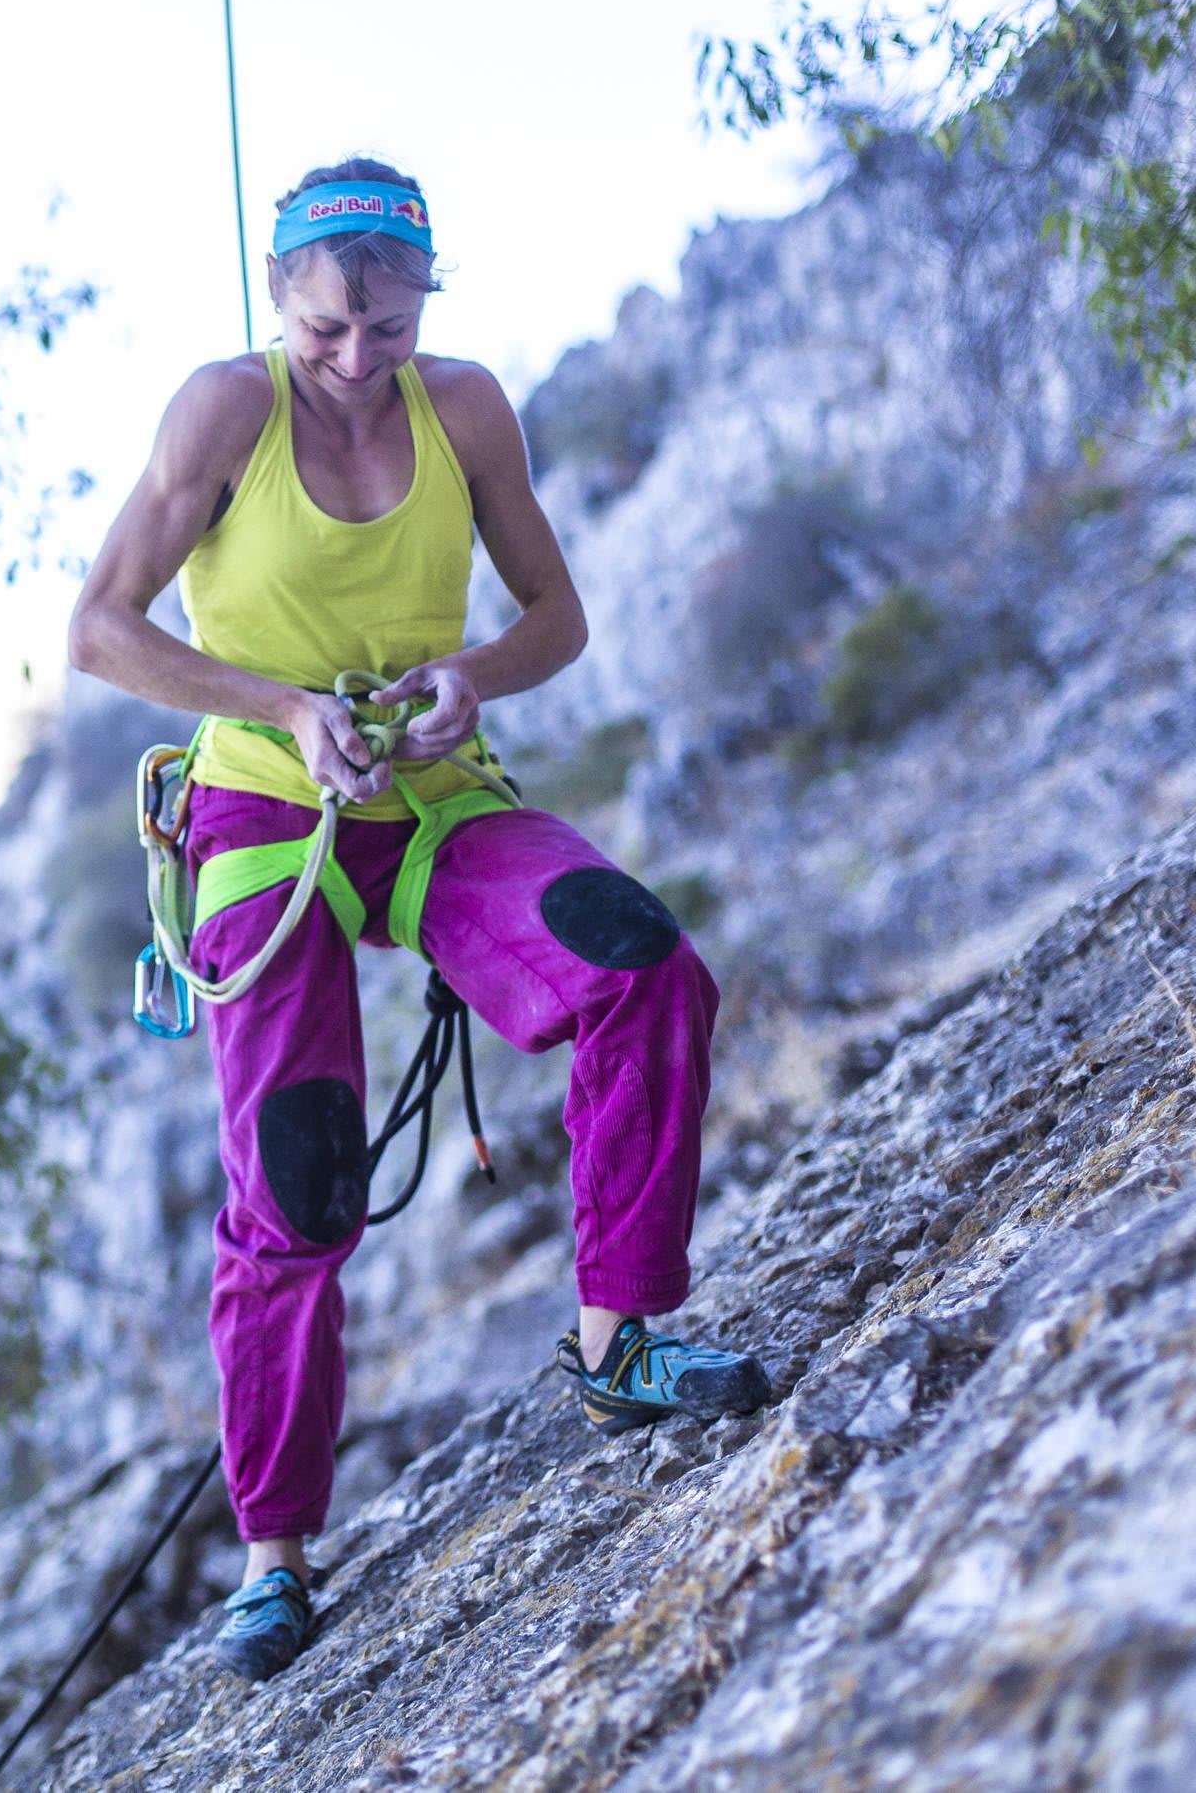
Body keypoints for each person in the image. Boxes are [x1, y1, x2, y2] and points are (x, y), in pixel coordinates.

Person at [65, 158, 770, 1683]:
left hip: (438, 793)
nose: (356, 359)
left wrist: (475, 679)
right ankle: (275, 1555)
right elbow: (101, 627)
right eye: (327, 327)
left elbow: (555, 618)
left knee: (643, 968)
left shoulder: (465, 410)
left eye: (387, 328)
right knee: (299, 1182)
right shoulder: (220, 414)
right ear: (280, 293)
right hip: (264, 811)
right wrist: (279, 706)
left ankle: (623, 1346)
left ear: (424, 300)